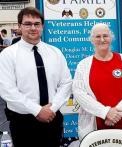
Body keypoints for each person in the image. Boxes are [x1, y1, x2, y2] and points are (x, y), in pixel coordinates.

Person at [0, 7, 72, 147]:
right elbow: (7, 90)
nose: (33, 27)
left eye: (37, 24)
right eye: (27, 24)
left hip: (52, 118)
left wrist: (52, 108)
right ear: (20, 26)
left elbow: (66, 83)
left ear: (42, 26)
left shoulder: (55, 52)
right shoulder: (7, 55)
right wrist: (37, 110)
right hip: (23, 122)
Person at [72, 23, 122, 143]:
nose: (102, 39)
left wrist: (116, 113)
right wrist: (105, 112)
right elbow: (79, 93)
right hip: (96, 129)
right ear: (91, 40)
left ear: (111, 38)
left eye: (105, 35)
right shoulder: (83, 65)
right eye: (97, 36)